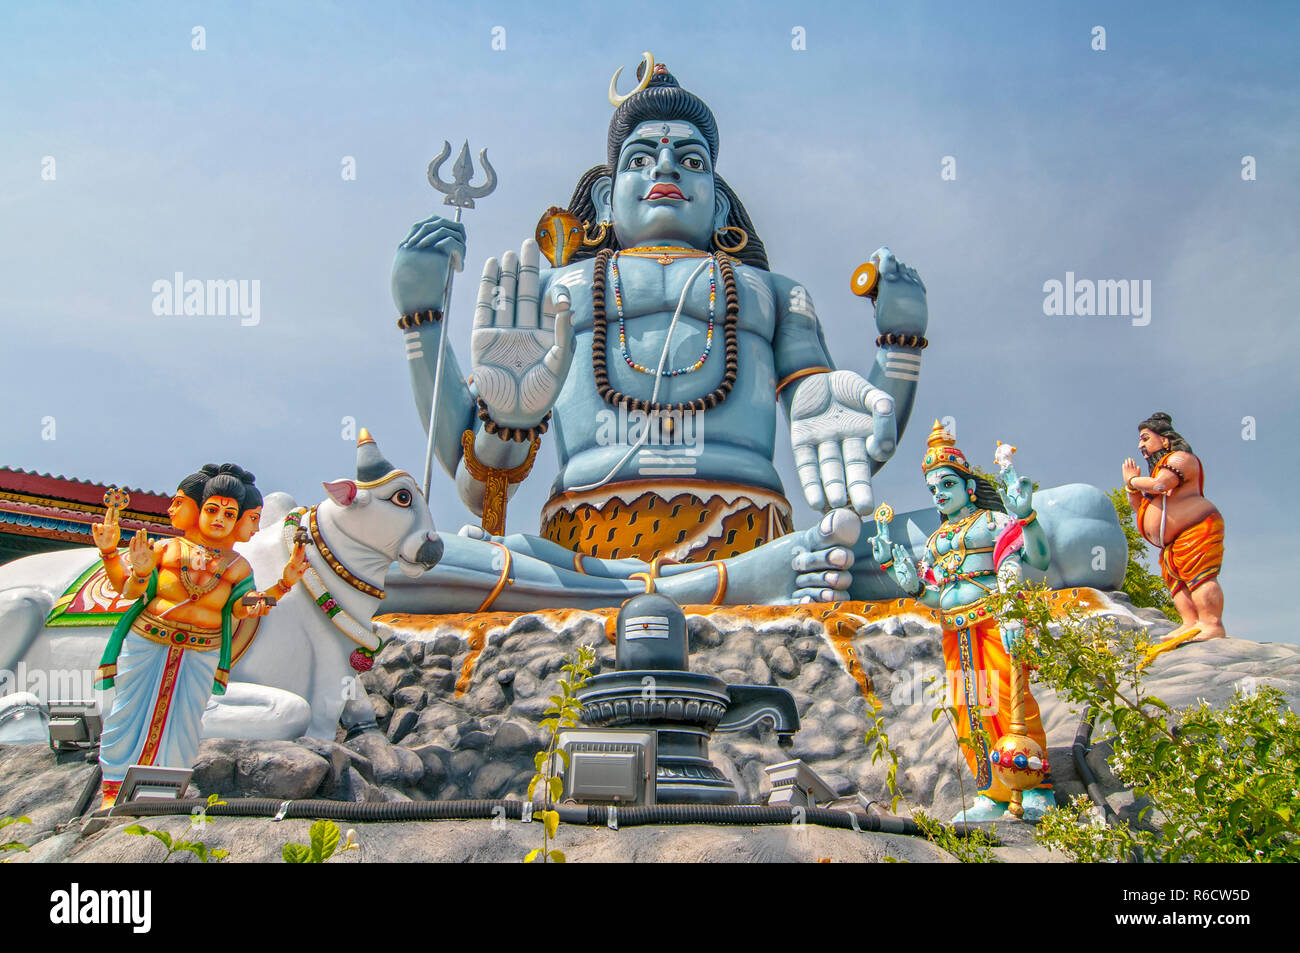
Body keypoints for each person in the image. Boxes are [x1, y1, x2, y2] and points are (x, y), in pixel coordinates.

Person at [386, 55, 930, 608]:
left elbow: (846, 458)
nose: (665, 167)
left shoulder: (774, 293)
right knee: (388, 559)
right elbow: (480, 493)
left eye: (690, 159)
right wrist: (429, 326)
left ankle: (673, 586)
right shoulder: (554, 289)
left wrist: (899, 343)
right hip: (583, 549)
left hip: (750, 539)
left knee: (965, 542)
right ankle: (703, 587)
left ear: (719, 206)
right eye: (641, 158)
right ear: (605, 197)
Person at [91, 466, 307, 808]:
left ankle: (163, 795)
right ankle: (112, 792)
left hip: (200, 652)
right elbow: (129, 589)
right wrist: (111, 555)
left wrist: (284, 583)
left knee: (184, 725)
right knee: (128, 714)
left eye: (230, 513)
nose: (220, 519)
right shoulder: (168, 550)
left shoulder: (238, 567)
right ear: (197, 509)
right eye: (212, 509)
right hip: (149, 640)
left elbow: (244, 609)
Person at [870, 422, 1054, 821]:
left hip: (995, 621)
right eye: (933, 489)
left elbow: (1035, 560)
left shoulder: (993, 522)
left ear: (969, 486)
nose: (939, 494)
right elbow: (938, 595)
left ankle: (1035, 788)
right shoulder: (935, 542)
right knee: (969, 708)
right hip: (956, 631)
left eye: (947, 485)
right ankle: (991, 791)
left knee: (1009, 701)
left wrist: (1028, 518)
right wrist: (912, 585)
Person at [1122, 412, 1226, 643]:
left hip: (1196, 528)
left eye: (1145, 438)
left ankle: (1211, 624)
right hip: (1171, 544)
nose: (1141, 445)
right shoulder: (1156, 471)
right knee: (1178, 582)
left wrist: (1132, 480)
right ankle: (1190, 622)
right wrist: (1132, 490)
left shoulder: (1181, 459)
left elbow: (1161, 484)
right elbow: (1138, 507)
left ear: (1165, 440)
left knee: (1199, 577)